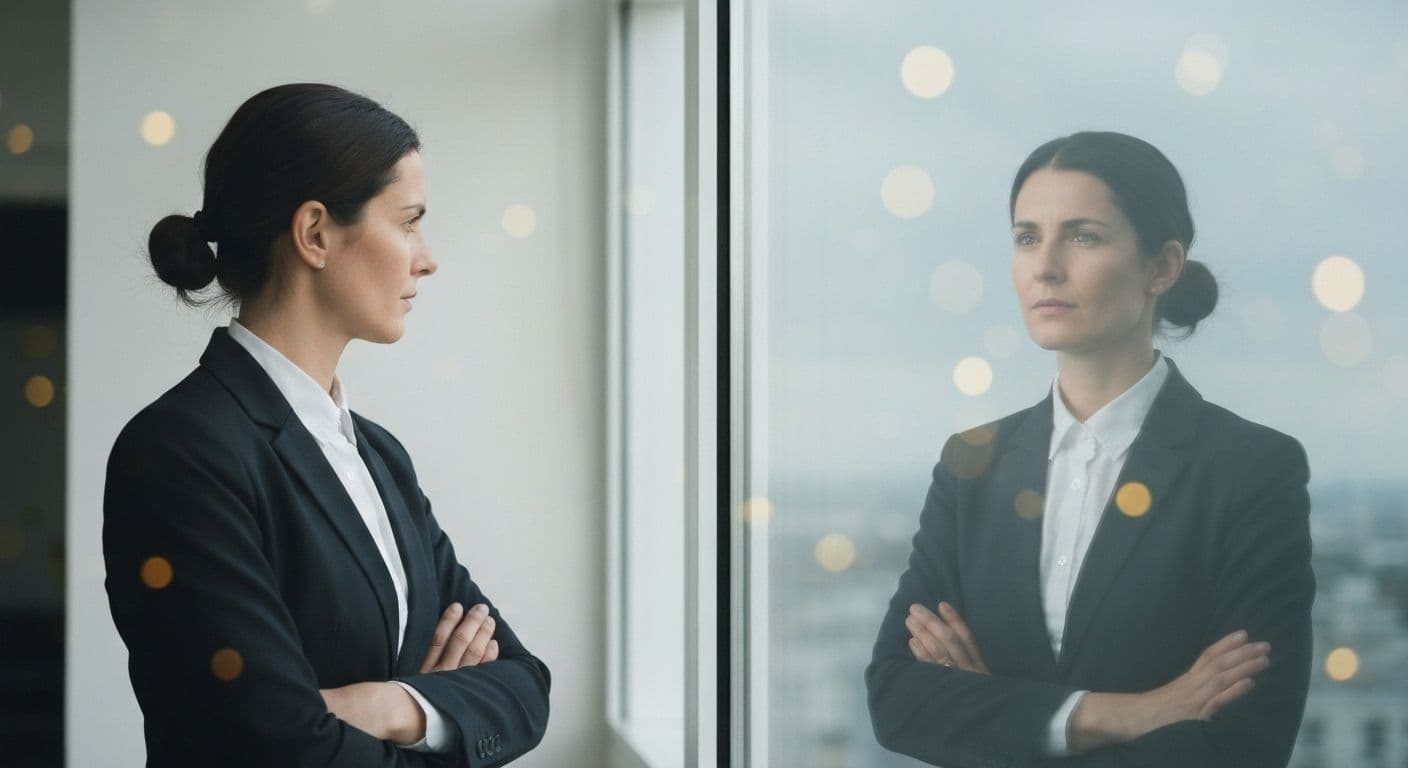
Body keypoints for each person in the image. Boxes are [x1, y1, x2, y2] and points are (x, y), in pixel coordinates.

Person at [103, 83, 550, 767]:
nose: (427, 258)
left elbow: (523, 683)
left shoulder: (378, 455)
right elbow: (275, 745)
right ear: (314, 233)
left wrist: (394, 707)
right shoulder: (180, 452)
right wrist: (440, 715)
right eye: (407, 222)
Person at [866, 131, 1313, 767]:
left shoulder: (1250, 469)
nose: (1045, 266)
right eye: (1027, 237)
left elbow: (1245, 742)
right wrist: (1135, 712)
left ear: (1161, 266)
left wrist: (994, 710)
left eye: (1083, 236)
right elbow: (896, 700)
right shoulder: (974, 464)